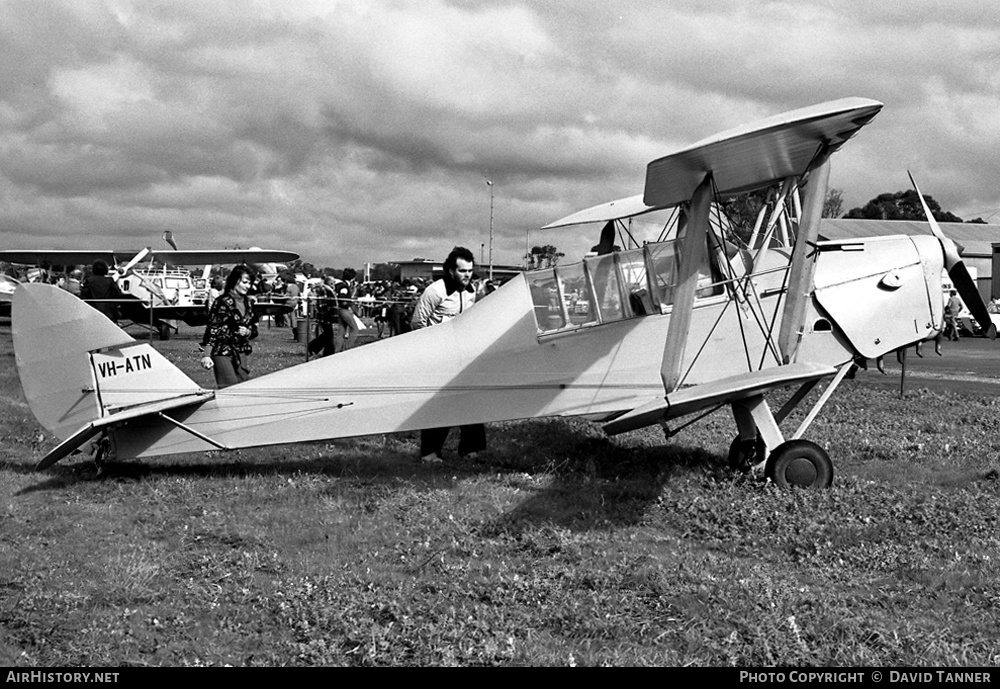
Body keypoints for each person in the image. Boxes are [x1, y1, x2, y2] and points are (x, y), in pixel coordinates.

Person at [410, 246, 487, 464]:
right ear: (451, 270)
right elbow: (417, 322)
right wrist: (432, 349)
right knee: (440, 403)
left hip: (463, 356)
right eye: (463, 271)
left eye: (470, 271)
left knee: (471, 399)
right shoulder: (435, 291)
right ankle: (429, 453)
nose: (467, 275)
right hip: (439, 358)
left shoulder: (471, 291)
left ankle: (471, 449)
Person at [199, 265, 259, 388]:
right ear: (234, 281)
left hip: (241, 351)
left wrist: (248, 332)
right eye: (244, 282)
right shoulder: (221, 302)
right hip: (221, 350)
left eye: (249, 283)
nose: (247, 286)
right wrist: (206, 355)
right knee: (229, 387)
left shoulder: (249, 303)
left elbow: (254, 329)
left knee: (243, 387)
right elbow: (212, 328)